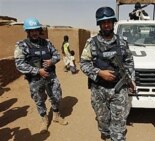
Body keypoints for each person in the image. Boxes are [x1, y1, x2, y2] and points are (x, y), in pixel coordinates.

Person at [80, 6, 135, 141]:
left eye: (109, 22)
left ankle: (117, 136)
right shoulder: (91, 43)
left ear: (113, 23)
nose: (106, 25)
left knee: (118, 126)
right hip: (99, 89)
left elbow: (129, 62)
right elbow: (83, 64)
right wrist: (99, 73)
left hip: (119, 90)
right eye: (103, 22)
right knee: (103, 120)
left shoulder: (122, 42)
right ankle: (105, 132)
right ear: (99, 24)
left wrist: (130, 79)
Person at [14, 17, 68, 133]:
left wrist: (51, 61)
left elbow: (57, 55)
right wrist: (37, 71)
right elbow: (19, 64)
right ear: (27, 32)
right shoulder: (22, 46)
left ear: (39, 30)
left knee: (56, 96)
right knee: (39, 100)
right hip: (35, 80)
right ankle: (44, 119)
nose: (34, 33)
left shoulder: (47, 43)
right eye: (31, 31)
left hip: (51, 76)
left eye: (36, 30)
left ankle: (56, 115)